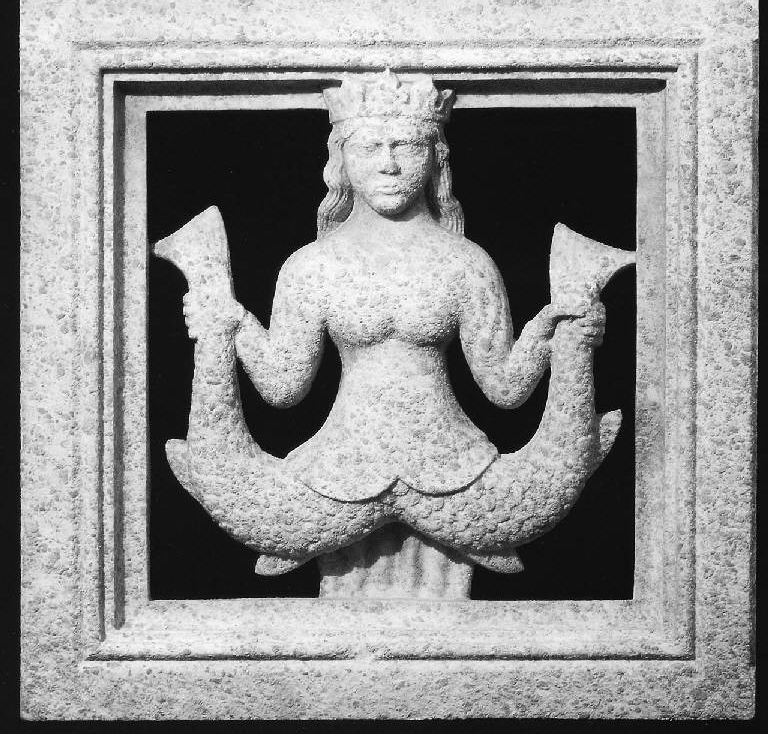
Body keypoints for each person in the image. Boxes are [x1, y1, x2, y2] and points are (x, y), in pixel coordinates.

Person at [164, 70, 619, 575]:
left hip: (454, 469)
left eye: (406, 145)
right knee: (253, 505)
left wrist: (560, 332)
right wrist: (229, 324)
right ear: (341, 158)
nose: (389, 164)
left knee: (534, 498)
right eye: (370, 147)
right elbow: (283, 387)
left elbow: (506, 388)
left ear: (436, 157)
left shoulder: (464, 263)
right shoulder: (313, 266)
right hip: (339, 471)